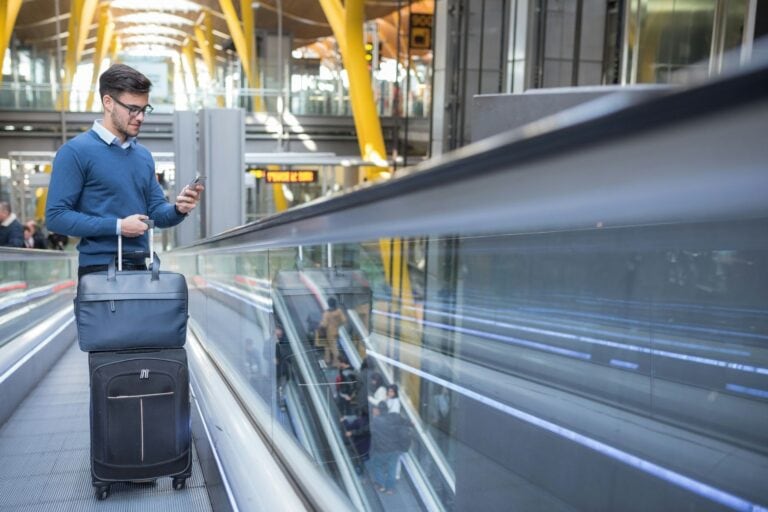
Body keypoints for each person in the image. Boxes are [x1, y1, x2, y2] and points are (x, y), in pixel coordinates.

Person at [45, 63, 203, 277]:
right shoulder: (74, 152)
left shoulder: (143, 155)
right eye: (133, 109)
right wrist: (118, 226)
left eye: (144, 109)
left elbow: (156, 213)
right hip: (98, 272)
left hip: (141, 268)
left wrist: (178, 209)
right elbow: (56, 217)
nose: (140, 117)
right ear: (108, 102)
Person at [318, 297, 347, 367]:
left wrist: (320, 325)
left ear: (328, 304)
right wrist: (338, 324)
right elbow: (344, 320)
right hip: (336, 331)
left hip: (328, 332)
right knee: (332, 346)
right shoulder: (339, 311)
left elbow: (324, 324)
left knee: (330, 347)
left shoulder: (327, 313)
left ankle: (331, 361)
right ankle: (332, 361)